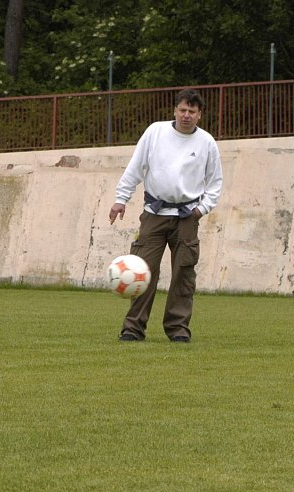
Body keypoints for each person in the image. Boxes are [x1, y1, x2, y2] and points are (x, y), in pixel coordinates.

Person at [109, 88, 223, 343]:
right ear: (174, 110)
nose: (186, 115)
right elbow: (136, 167)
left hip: (187, 216)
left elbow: (215, 183)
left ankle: (178, 329)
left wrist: (201, 210)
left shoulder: (206, 142)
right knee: (143, 271)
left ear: (199, 115)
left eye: (192, 111)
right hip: (154, 213)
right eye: (182, 110)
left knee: (184, 274)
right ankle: (133, 328)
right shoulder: (155, 132)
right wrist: (120, 199)